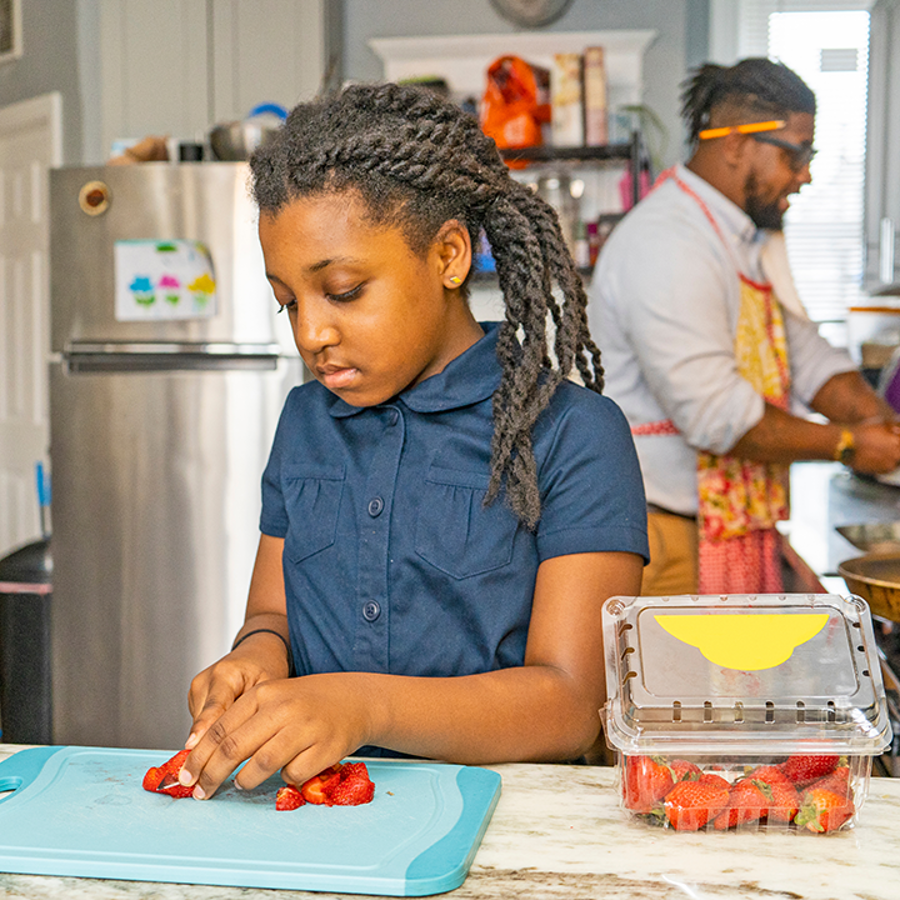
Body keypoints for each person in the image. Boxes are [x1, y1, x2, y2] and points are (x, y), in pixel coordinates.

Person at [175, 82, 648, 800]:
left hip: (505, 822)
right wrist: (256, 661)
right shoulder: (305, 421)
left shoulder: (574, 434)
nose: (310, 334)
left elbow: (572, 705)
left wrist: (363, 705)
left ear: (449, 255)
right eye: (288, 301)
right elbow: (271, 614)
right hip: (315, 809)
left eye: (342, 290)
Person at [589, 58, 900, 598]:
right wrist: (850, 445)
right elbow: (716, 415)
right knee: (687, 685)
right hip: (663, 537)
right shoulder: (669, 242)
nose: (805, 174)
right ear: (734, 143)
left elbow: (803, 355)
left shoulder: (738, 238)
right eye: (795, 153)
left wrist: (880, 422)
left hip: (723, 523)